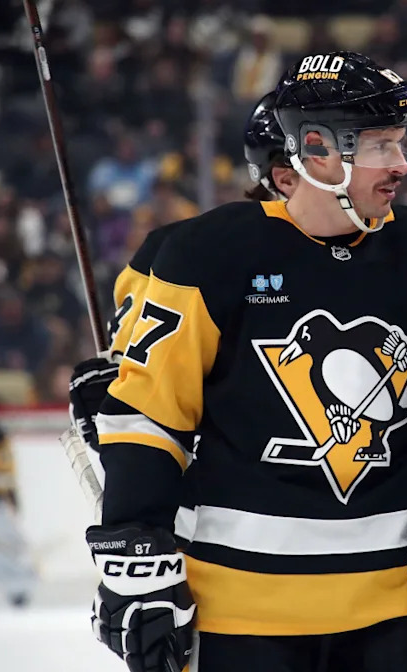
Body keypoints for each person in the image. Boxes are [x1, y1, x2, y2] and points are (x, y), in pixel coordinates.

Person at [86, 52, 407, 672]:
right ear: (312, 151)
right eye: (381, 144)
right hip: (239, 607)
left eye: (403, 141)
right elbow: (149, 420)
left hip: (405, 605)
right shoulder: (205, 255)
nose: (401, 163)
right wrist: (134, 551)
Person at [69, 91, 299, 546]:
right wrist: (111, 387)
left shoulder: (391, 246)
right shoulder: (180, 251)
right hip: (213, 521)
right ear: (283, 173)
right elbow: (136, 396)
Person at [0, 420, 36, 608]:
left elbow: (6, 470)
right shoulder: (0, 437)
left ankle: (18, 587)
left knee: (10, 544)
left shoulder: (0, 438)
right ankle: (17, 587)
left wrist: (10, 493)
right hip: (0, 501)